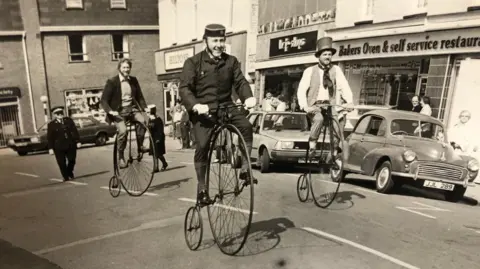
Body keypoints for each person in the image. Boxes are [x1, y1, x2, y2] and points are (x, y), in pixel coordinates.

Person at [179, 23, 257, 203]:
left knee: (246, 126)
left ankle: (245, 170)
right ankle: (202, 189)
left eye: (222, 40)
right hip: (204, 111)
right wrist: (195, 105)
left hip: (226, 107)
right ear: (205, 41)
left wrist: (248, 97)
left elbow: (240, 82)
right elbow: (184, 89)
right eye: (215, 41)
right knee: (203, 145)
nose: (219, 45)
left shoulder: (231, 61)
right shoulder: (193, 63)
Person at [296, 36, 354, 158]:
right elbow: (301, 90)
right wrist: (304, 106)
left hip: (331, 104)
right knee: (319, 119)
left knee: (339, 122)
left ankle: (333, 152)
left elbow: (344, 86)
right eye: (325, 54)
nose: (328, 57)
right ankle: (312, 145)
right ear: (319, 56)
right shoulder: (310, 71)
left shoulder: (336, 70)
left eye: (329, 54)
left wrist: (349, 101)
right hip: (315, 105)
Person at [100, 58, 149, 169]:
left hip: (132, 109)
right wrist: (110, 111)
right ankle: (121, 156)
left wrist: (145, 108)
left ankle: (140, 146)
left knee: (143, 122)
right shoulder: (112, 82)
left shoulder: (133, 80)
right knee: (123, 131)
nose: (126, 69)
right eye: (124, 67)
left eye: (128, 67)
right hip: (119, 112)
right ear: (119, 68)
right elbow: (103, 100)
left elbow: (139, 96)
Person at [47, 106, 80, 181]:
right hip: (59, 146)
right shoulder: (51, 124)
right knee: (61, 162)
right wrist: (50, 148)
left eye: (61, 113)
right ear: (54, 115)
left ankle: (69, 171)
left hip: (70, 144)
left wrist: (78, 141)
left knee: (72, 160)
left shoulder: (68, 121)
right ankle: (65, 176)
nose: (60, 115)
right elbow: (50, 137)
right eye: (58, 113)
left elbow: (74, 131)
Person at [147, 104, 168, 171]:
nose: (147, 113)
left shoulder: (158, 119)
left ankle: (164, 163)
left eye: (148, 111)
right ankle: (156, 168)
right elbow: (149, 128)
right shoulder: (150, 119)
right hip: (152, 138)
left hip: (158, 138)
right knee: (154, 153)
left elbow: (160, 130)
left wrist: (159, 138)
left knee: (159, 154)